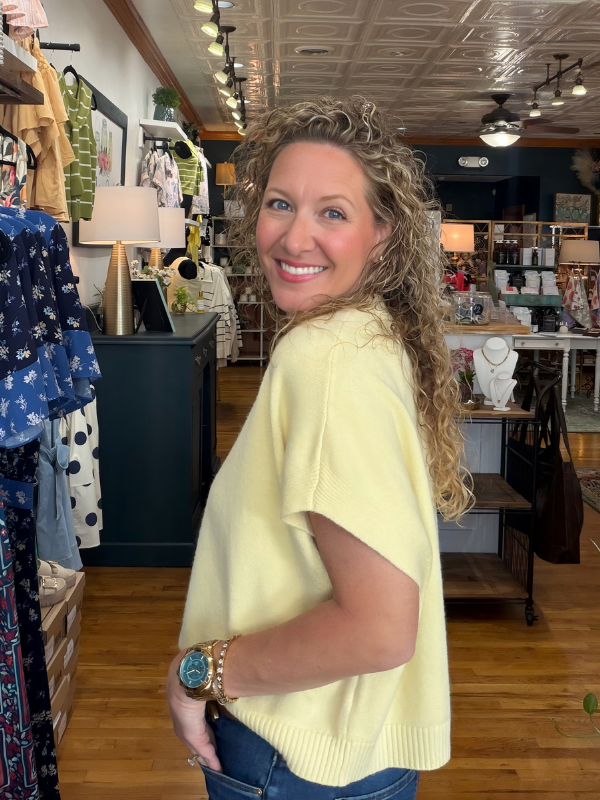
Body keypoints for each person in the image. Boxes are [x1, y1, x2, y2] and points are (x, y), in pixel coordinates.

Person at [167, 96, 473, 799]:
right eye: (280, 204)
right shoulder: (367, 335)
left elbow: (377, 628)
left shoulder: (326, 357)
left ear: (384, 237)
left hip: (293, 751)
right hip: (350, 743)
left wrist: (196, 675)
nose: (294, 237)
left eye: (332, 212)